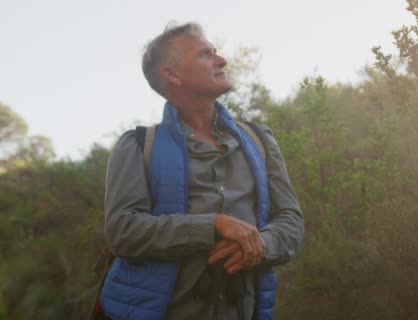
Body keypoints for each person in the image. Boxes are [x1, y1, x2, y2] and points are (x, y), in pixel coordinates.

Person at [98, 22, 304, 320]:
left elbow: (291, 221)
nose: (221, 60)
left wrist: (259, 245)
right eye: (206, 54)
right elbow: (123, 231)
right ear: (173, 74)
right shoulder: (136, 145)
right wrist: (213, 225)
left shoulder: (260, 140)